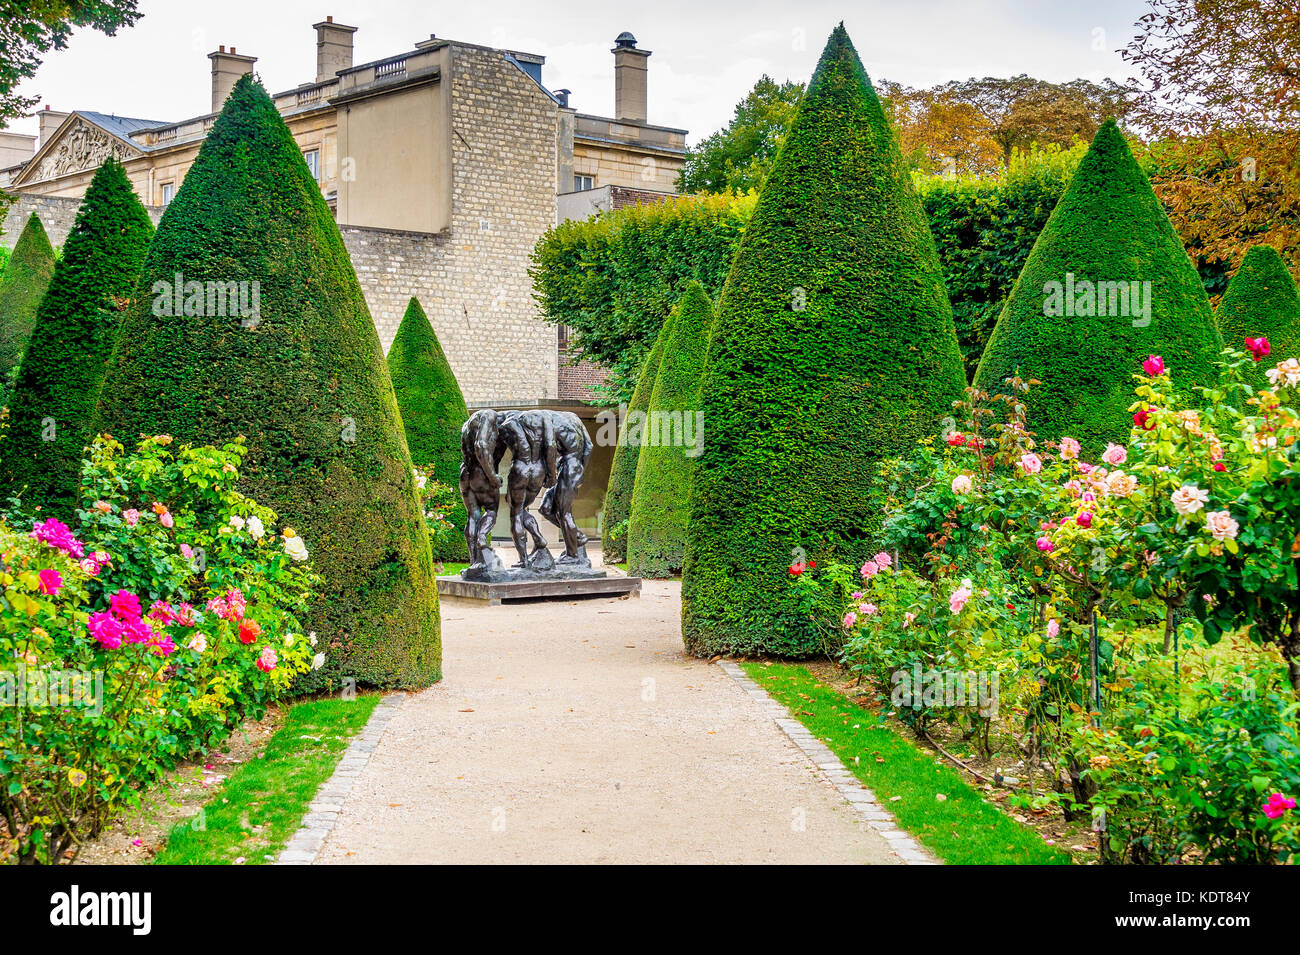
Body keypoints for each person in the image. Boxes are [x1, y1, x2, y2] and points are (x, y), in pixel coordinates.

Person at [458, 409, 505, 569]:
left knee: (473, 515)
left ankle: (474, 562)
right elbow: (481, 444)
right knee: (491, 511)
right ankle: (482, 539)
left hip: (465, 473)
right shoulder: (490, 415)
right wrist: (492, 476)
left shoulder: (468, 424)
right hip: (481, 474)